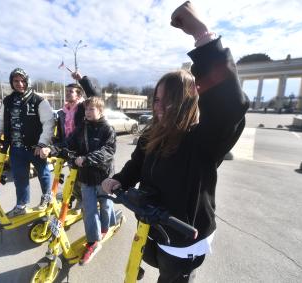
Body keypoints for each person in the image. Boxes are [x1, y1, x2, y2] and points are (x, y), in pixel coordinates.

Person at [102, 2, 249, 282]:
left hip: (184, 236)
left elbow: (230, 106)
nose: (160, 108)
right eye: (157, 100)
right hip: (152, 227)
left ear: (186, 102)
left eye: (169, 101)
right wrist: (119, 180)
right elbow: (136, 165)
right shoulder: (151, 133)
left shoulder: (203, 139)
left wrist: (203, 37)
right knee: (150, 261)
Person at [53, 96, 117, 265]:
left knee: (106, 205)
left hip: (103, 177)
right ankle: (93, 242)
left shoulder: (107, 129)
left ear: (100, 111)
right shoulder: (82, 127)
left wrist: (87, 159)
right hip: (85, 178)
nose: (87, 112)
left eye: (91, 109)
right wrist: (55, 148)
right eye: (86, 109)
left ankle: (107, 226)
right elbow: (70, 142)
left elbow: (108, 151)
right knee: (89, 210)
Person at [0, 68, 55, 217]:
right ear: (11, 82)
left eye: (22, 80)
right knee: (20, 178)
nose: (19, 84)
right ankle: (21, 205)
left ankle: (46, 197)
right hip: (16, 149)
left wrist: (43, 144)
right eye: (16, 81)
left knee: (43, 173)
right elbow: (2, 121)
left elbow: (49, 123)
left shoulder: (39, 101)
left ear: (27, 81)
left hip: (36, 148)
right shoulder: (8, 101)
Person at [54, 71, 101, 209]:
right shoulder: (63, 111)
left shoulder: (82, 107)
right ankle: (81, 201)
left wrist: (82, 80)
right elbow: (61, 132)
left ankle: (91, 202)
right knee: (73, 179)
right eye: (67, 91)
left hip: (82, 150)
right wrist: (55, 146)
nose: (68, 93)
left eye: (71, 91)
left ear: (79, 95)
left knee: (84, 179)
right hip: (69, 150)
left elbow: (95, 96)